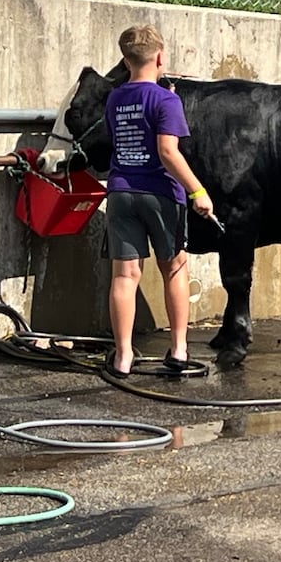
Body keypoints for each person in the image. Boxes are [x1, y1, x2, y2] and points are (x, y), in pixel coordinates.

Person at [102, 24, 213, 377]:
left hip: (121, 191)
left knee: (125, 274)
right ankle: (179, 349)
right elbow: (168, 151)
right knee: (174, 266)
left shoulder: (114, 97)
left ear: (125, 60)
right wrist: (198, 191)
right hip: (161, 193)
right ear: (161, 57)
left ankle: (123, 357)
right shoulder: (167, 99)